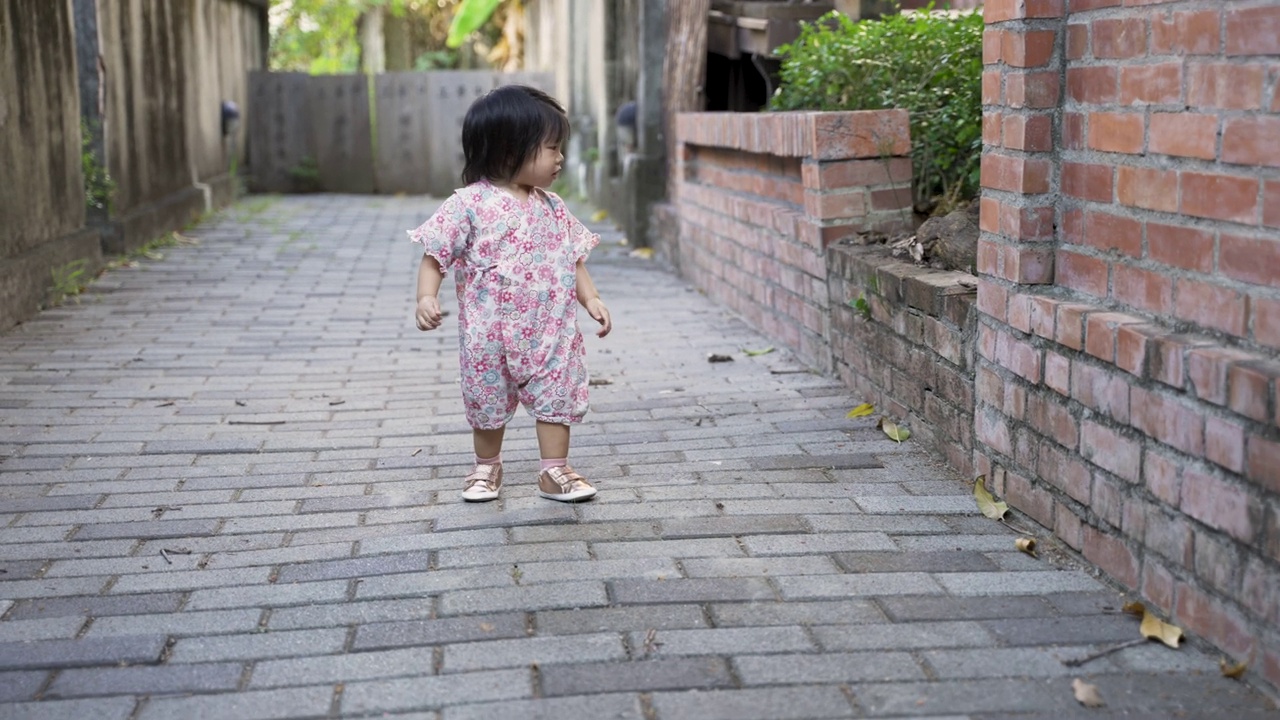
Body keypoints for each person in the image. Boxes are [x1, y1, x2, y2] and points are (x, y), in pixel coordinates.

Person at [408, 85, 612, 504]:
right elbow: (435, 254)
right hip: (489, 336)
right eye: (551, 148)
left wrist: (590, 299)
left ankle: (554, 471)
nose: (559, 159)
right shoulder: (467, 205)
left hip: (549, 331)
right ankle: (487, 467)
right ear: (507, 149)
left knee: (556, 398)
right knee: (487, 400)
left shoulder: (553, 206)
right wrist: (426, 297)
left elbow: (572, 259)